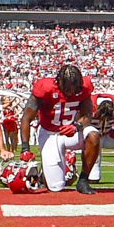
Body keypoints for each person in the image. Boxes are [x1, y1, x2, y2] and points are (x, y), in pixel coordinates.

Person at [21, 62, 98, 194]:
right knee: (56, 187)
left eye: (75, 89)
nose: (71, 92)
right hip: (50, 133)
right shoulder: (45, 88)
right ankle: (48, 173)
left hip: (73, 132)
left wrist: (77, 125)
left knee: (93, 135)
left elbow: (88, 115)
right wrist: (25, 148)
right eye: (68, 88)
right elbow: (26, 118)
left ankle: (84, 179)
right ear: (59, 82)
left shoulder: (84, 88)